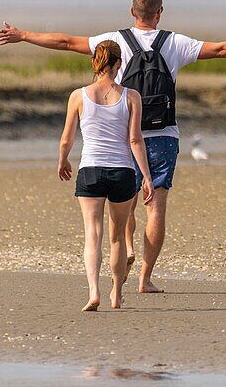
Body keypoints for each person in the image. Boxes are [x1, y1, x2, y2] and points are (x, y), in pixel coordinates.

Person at [0, 0, 226, 293]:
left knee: (125, 204)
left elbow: (66, 42)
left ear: (133, 12)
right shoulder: (174, 43)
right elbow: (222, 49)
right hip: (163, 136)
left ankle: (127, 247)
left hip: (125, 136)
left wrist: (23, 35)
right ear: (159, 13)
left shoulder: (115, 41)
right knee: (156, 206)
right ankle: (145, 278)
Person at [58, 40, 154, 311]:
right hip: (122, 171)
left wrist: (63, 160)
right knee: (118, 236)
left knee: (93, 234)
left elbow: (67, 138)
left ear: (95, 63)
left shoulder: (78, 95)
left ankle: (93, 292)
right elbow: (135, 140)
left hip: (90, 169)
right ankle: (116, 293)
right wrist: (146, 177)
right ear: (118, 64)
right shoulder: (131, 96)